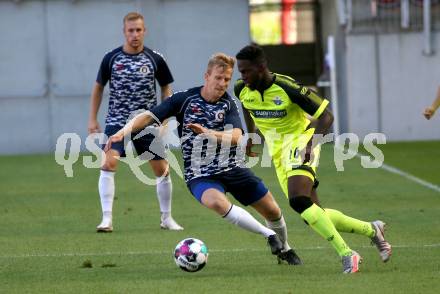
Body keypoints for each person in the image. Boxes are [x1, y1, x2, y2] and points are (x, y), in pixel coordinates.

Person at [105, 53, 301, 264]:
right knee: (216, 203)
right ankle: (269, 235)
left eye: (227, 79)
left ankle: (285, 248)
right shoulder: (183, 99)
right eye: (218, 78)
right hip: (199, 174)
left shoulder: (228, 104)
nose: (222, 83)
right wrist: (122, 132)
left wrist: (208, 133)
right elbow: (148, 116)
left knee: (272, 210)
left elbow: (237, 137)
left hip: (232, 167)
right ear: (207, 76)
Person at [234, 44, 392, 273]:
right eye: (240, 71)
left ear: (261, 67)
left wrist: (311, 145)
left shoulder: (287, 87)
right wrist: (252, 138)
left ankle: (348, 254)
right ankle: (371, 230)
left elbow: (327, 117)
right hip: (277, 154)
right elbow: (250, 110)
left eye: (246, 71)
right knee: (313, 214)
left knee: (298, 200)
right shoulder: (242, 89)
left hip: (300, 142)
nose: (242, 76)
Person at [88, 12, 183, 232]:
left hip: (146, 122)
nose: (134, 34)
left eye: (138, 30)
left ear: (144, 31)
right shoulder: (111, 58)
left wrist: (164, 117)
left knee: (162, 169)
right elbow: (98, 87)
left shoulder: (155, 59)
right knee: (107, 163)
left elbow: (166, 87)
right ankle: (107, 219)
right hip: (117, 121)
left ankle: (166, 219)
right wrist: (92, 118)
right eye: (130, 30)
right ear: (124, 32)